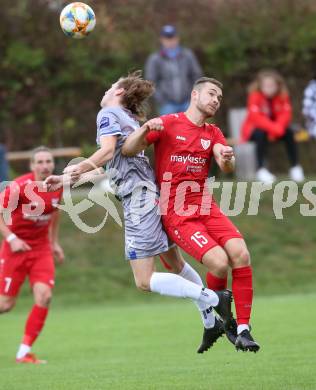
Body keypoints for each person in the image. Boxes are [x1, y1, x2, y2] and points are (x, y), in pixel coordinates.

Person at [45, 71, 236, 354]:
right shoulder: (130, 120)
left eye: (111, 86)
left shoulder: (108, 113)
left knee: (144, 281)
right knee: (176, 264)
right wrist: (64, 179)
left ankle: (212, 298)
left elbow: (108, 153)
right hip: (152, 195)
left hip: (139, 200)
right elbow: (108, 167)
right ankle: (210, 323)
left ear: (119, 92)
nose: (107, 90)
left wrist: (80, 166)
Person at [122, 77, 260, 352]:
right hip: (176, 211)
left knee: (241, 254)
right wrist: (146, 128)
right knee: (219, 263)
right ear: (194, 95)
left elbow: (224, 161)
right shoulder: (168, 123)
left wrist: (227, 157)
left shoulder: (213, 133)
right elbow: (128, 149)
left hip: (205, 205)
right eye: (211, 94)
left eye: (219, 98)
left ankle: (243, 328)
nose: (216, 100)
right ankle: (225, 322)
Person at [0, 146, 64, 364]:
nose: (45, 165)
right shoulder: (18, 187)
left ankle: (23, 353)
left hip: (40, 249)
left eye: (49, 161)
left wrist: (54, 243)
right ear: (32, 166)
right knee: (5, 305)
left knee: (44, 296)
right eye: (40, 162)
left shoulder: (57, 185)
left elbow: (55, 212)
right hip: (14, 249)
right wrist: (11, 239)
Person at [241, 70, 305, 183]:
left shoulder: (283, 96)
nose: (269, 88)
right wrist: (274, 129)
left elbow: (285, 115)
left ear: (278, 86)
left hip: (276, 131)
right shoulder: (254, 96)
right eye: (266, 86)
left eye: (272, 85)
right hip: (254, 131)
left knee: (289, 132)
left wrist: (277, 129)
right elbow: (256, 118)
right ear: (260, 86)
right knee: (261, 133)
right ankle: (261, 170)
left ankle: (295, 167)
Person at [145, 25, 203, 116]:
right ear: (162, 39)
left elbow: (196, 75)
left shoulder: (187, 55)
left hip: (188, 102)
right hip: (167, 105)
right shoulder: (155, 59)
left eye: (172, 38)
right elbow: (150, 82)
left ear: (177, 38)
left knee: (190, 129)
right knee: (169, 129)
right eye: (167, 38)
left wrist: (193, 95)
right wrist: (161, 99)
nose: (170, 41)